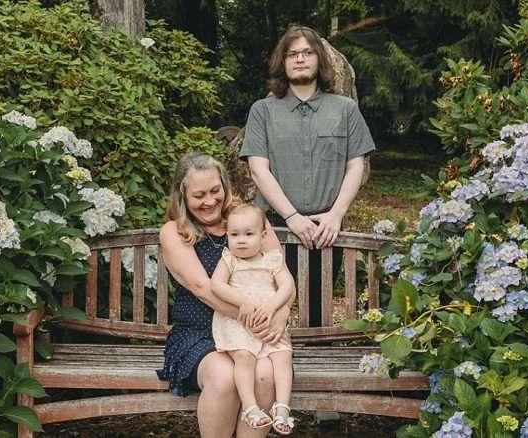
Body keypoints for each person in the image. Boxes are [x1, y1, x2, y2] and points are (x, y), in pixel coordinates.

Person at [239, 25, 375, 326]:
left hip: (327, 226)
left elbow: (356, 166)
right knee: (269, 307)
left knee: (317, 312)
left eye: (307, 53)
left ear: (319, 60)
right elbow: (258, 170)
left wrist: (336, 215)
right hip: (274, 226)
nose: (300, 59)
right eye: (292, 54)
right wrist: (291, 217)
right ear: (282, 62)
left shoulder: (346, 110)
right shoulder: (263, 111)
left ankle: (315, 363)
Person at [156, 151, 294, 438]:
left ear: (225, 185)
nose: (209, 201)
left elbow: (282, 275)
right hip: (200, 332)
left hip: (257, 333)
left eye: (215, 190)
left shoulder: (248, 221)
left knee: (265, 375)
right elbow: (203, 288)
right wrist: (259, 319)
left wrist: (279, 316)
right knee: (223, 378)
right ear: (182, 195)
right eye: (199, 195)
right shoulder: (175, 231)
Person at [210, 203, 295, 434]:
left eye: (249, 234)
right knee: (245, 357)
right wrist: (242, 301)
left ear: (263, 235)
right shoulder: (230, 260)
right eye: (234, 235)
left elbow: (287, 285)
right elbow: (216, 285)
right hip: (238, 323)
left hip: (268, 322)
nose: (241, 240)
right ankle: (251, 407)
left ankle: (282, 409)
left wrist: (274, 305)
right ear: (227, 235)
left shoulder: (272, 259)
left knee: (283, 356)